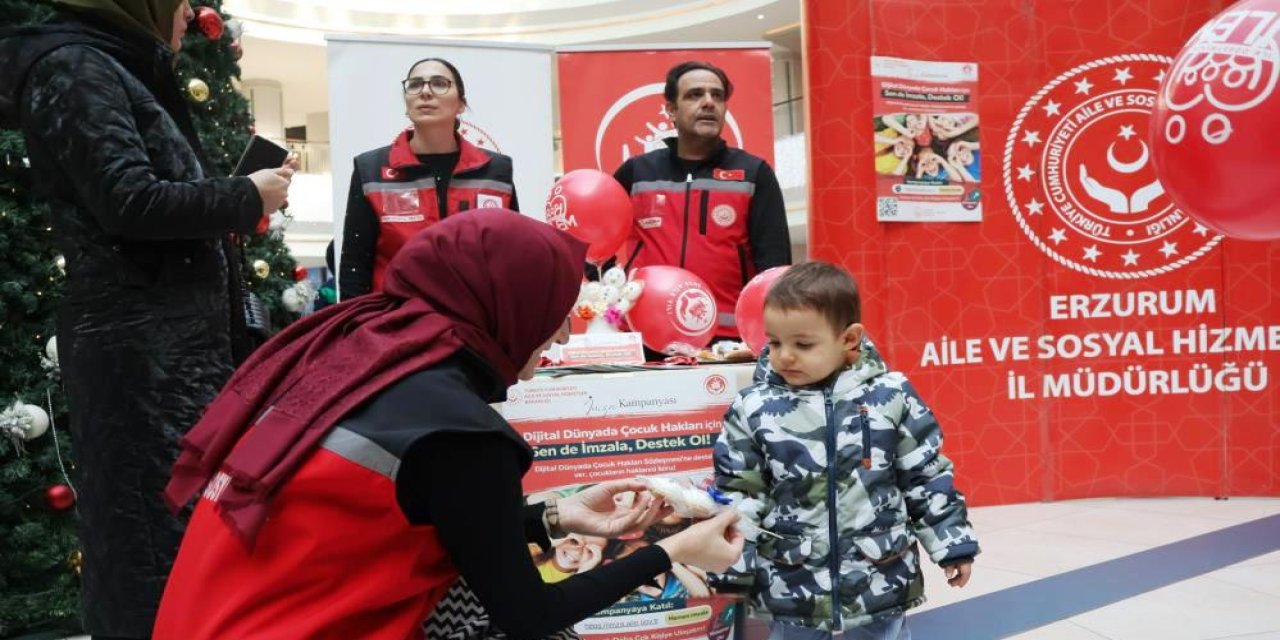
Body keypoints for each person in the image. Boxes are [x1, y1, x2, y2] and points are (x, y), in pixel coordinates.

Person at [153, 210, 743, 640]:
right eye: (555, 311)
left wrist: (556, 515)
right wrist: (670, 550)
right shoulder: (461, 431)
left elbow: (416, 513)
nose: (562, 335)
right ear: (506, 303)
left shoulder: (355, 361)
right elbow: (528, 616)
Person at [0, 1, 294, 637]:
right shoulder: (74, 67)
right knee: (148, 544)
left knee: (178, 539)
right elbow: (127, 200)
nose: (191, 11)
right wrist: (245, 195)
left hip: (168, 350)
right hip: (138, 358)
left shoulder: (110, 64)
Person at [712, 261, 981, 640]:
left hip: (879, 572)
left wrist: (952, 542)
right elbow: (740, 490)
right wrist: (731, 564)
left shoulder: (892, 395)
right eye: (774, 342)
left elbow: (925, 474)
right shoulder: (753, 407)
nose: (784, 356)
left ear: (849, 339)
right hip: (792, 576)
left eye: (802, 344)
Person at [610, 61, 791, 342]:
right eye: (695, 94)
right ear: (671, 109)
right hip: (644, 337)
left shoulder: (754, 173)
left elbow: (775, 267)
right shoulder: (637, 172)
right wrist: (610, 288)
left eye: (717, 95)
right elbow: (591, 244)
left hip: (728, 340)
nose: (708, 102)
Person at [339, 57, 518, 299]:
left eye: (439, 83)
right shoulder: (370, 169)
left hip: (477, 325)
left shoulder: (496, 170)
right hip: (396, 325)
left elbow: (511, 256)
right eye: (415, 85)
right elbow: (355, 265)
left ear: (461, 104)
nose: (425, 91)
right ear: (407, 103)